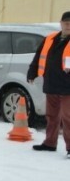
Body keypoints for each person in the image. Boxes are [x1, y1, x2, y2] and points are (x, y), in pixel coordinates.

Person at [27, 11, 70, 158]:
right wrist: (32, 73)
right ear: (61, 23)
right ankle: (50, 143)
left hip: (68, 87)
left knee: (68, 118)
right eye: (66, 22)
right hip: (51, 84)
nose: (68, 25)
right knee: (51, 116)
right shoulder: (50, 39)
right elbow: (38, 57)